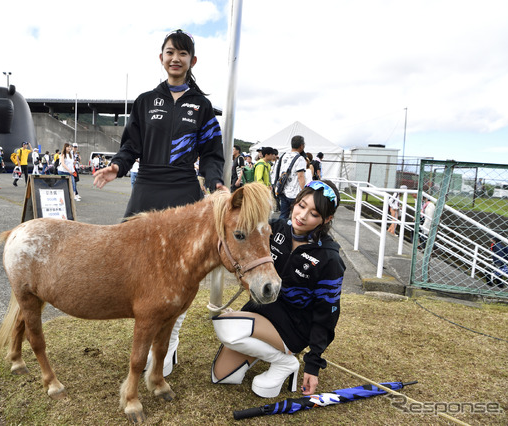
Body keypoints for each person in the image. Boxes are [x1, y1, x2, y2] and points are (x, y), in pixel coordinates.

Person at [94, 29, 226, 376]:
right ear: (161, 57)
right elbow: (130, 147)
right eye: (170, 52)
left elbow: (213, 155)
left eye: (183, 54)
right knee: (133, 265)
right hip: (147, 187)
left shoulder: (202, 107)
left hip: (184, 190)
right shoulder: (145, 101)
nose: (175, 58)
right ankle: (145, 329)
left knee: (183, 272)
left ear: (192, 61)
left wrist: (216, 185)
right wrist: (116, 167)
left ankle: (171, 342)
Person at [211, 180, 345, 398]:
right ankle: (268, 350)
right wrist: (227, 202)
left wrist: (313, 364)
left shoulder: (329, 258)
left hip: (293, 327)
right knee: (222, 375)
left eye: (314, 213)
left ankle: (285, 362)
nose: (302, 216)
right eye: (301, 206)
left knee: (228, 328)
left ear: (326, 219)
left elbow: (327, 314)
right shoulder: (275, 228)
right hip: (260, 310)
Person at [276, 135, 307, 220]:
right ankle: (291, 232)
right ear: (301, 145)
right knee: (295, 216)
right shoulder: (300, 159)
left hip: (282, 190)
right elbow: (300, 177)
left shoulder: (283, 156)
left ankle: (281, 231)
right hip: (295, 193)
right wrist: (304, 192)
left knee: (283, 215)